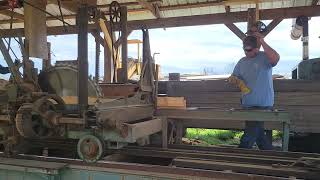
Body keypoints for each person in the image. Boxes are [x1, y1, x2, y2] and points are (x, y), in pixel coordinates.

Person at [229, 32, 280, 150]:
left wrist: (262, 41)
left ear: (257, 49)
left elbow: (275, 58)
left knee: (250, 133)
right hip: (247, 103)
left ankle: (241, 153)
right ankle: (269, 153)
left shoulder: (265, 57)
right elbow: (234, 76)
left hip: (263, 103)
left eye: (250, 50)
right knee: (258, 133)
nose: (247, 53)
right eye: (245, 50)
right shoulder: (242, 61)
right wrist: (234, 80)